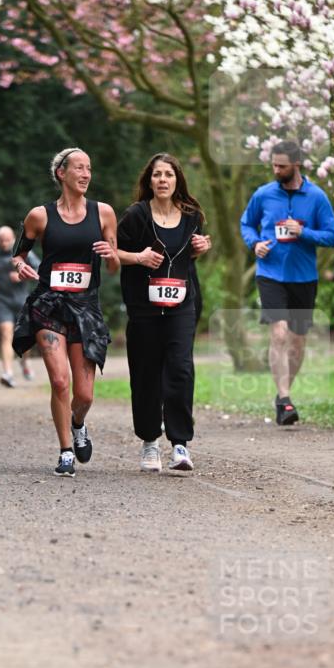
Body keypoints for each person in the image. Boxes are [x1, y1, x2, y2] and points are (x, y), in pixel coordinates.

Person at [12, 147, 119, 477]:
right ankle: (64, 452)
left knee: (84, 394)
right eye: (79, 168)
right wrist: (20, 267)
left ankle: (78, 423)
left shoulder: (103, 213)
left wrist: (110, 254)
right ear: (62, 174)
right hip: (49, 305)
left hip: (85, 308)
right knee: (60, 381)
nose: (86, 174)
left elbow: (114, 265)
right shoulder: (39, 216)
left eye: (89, 168)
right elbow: (18, 256)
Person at [117, 153, 212, 473]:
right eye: (156, 174)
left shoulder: (192, 216)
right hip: (144, 308)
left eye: (168, 175)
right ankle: (149, 443)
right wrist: (140, 257)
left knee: (181, 369)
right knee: (146, 373)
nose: (162, 180)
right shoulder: (135, 216)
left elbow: (188, 257)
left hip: (182, 306)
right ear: (149, 180)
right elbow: (113, 254)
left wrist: (200, 249)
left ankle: (180, 444)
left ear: (177, 180)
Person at [240, 140, 334, 426]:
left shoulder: (317, 197)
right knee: (279, 334)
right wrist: (254, 243)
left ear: (296, 165)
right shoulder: (264, 194)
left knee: (297, 342)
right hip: (270, 274)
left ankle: (284, 393)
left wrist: (304, 232)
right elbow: (246, 223)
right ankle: (284, 400)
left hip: (304, 277)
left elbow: (332, 237)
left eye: (281, 165)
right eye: (273, 164)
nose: (276, 169)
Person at [0, 225, 39, 388]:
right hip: (3, 301)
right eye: (1, 240)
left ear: (13, 238)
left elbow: (39, 269)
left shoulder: (24, 253)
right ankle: (8, 373)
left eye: (7, 240)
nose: (4, 243)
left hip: (22, 300)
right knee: (6, 334)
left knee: (23, 336)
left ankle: (25, 363)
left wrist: (22, 275)